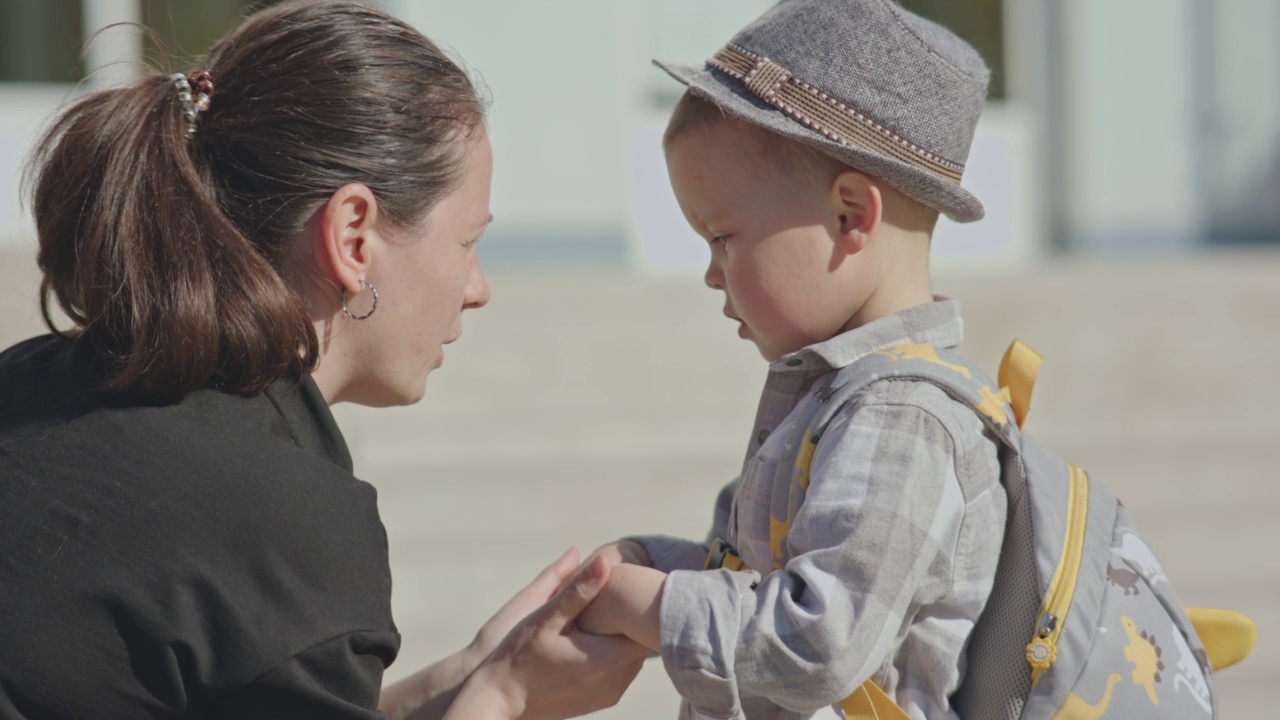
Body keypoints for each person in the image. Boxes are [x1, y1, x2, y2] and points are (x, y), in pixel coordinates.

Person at [0, 2, 646, 718]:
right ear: (353, 237)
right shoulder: (282, 522)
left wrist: (465, 679)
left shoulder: (32, 381)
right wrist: (509, 697)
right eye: (467, 242)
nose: (478, 288)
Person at [577, 1, 1007, 718]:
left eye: (722, 237)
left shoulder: (903, 421)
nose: (713, 274)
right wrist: (661, 563)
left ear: (849, 216)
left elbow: (818, 641)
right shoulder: (841, 398)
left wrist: (644, 605)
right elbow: (766, 575)